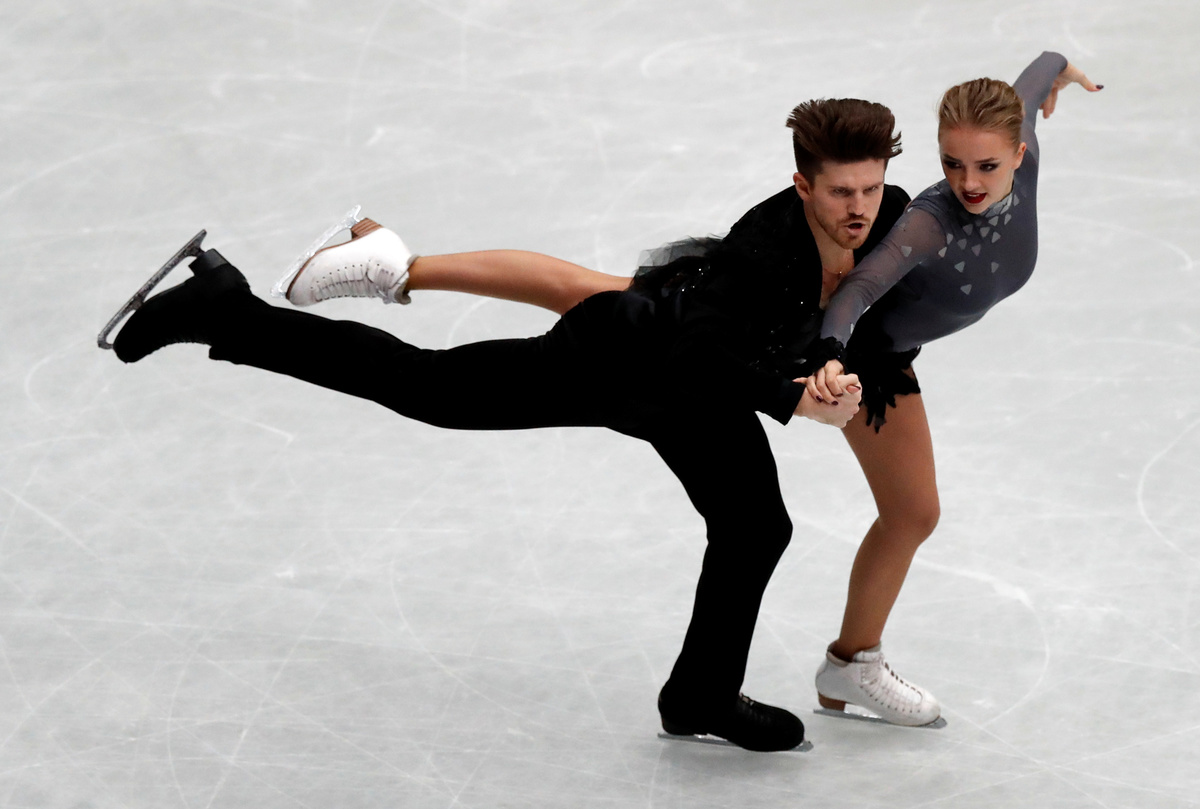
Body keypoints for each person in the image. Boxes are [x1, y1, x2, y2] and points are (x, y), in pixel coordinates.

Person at [277, 52, 1100, 727]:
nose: (968, 180)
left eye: (986, 164)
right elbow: (843, 300)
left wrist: (1058, 70)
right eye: (953, 163)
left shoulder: (1002, 159)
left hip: (872, 353)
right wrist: (810, 372)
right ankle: (397, 266)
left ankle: (851, 665)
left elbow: (1028, 84)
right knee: (602, 303)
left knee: (909, 510)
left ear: (1017, 151)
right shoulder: (911, 224)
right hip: (822, 341)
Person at [105, 98, 910, 751]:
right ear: (802, 185)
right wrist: (792, 398)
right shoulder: (760, 252)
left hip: (699, 399)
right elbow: (698, 354)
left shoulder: (891, 217)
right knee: (428, 386)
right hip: (625, 359)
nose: (859, 209)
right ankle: (228, 311)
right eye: (841, 192)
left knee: (756, 526)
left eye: (871, 189)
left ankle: (699, 695)